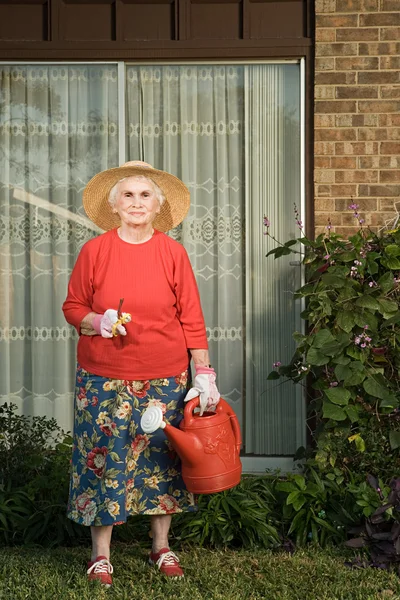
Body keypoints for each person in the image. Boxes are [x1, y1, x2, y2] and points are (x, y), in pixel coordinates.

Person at [62, 160, 220, 587]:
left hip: (165, 376)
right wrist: (98, 321)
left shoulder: (173, 252)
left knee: (162, 461)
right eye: (128, 195)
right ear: (114, 205)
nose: (136, 202)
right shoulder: (95, 251)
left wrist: (203, 371)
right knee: (103, 461)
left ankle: (161, 547)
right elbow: (73, 307)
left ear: (157, 205)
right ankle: (101, 556)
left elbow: (191, 316)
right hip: (102, 376)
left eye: (144, 195)